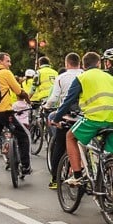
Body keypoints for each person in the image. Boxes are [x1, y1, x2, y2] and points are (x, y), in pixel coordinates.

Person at [50, 52, 113, 186]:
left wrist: (56, 119)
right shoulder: (109, 77)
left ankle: (77, 175)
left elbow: (68, 100)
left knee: (70, 137)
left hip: (96, 117)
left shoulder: (82, 77)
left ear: (84, 66)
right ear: (98, 64)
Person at [0, 52, 32, 183]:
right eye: (8, 61)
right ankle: (25, 166)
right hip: (3, 112)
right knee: (22, 135)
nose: (10, 64)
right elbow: (17, 90)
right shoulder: (5, 73)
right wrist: (26, 96)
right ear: (0, 61)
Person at [44, 52, 83, 189]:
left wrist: (46, 106)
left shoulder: (61, 78)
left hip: (67, 115)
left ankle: (55, 179)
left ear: (67, 64)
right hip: (84, 115)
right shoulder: (84, 75)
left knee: (59, 146)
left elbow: (54, 98)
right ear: (79, 63)